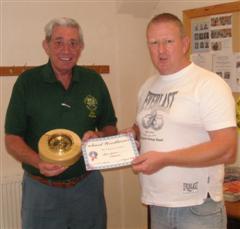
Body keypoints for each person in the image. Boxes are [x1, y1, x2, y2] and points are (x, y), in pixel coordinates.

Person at [123, 13, 237, 229]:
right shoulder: (148, 85)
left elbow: (227, 150)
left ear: (185, 44)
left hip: (197, 206)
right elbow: (147, 126)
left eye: (168, 41)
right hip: (157, 202)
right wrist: (132, 135)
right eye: (154, 43)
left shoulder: (208, 84)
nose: (161, 50)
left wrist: (165, 159)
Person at [5, 17, 117, 229]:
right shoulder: (27, 83)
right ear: (46, 45)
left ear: (81, 47)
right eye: (58, 42)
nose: (67, 49)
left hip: (87, 188)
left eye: (73, 43)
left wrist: (100, 137)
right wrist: (38, 161)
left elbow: (110, 127)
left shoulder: (93, 81)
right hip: (41, 192)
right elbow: (11, 138)